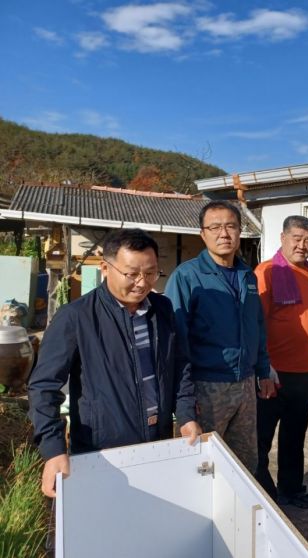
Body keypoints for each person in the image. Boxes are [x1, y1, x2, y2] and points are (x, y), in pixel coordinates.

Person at [28, 228, 201, 499]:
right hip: (102, 452)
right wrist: (53, 449)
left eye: (151, 273)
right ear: (106, 268)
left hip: (157, 443)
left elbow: (180, 366)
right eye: (131, 274)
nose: (142, 283)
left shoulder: (163, 310)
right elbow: (43, 387)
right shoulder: (76, 317)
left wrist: (188, 415)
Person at [165, 200, 273, 472]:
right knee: (201, 462)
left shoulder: (247, 275)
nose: (224, 234)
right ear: (203, 234)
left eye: (231, 226)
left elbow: (256, 326)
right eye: (215, 227)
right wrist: (185, 395)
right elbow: (176, 339)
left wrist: (263, 371)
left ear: (239, 231)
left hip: (246, 384)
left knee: (245, 461)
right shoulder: (187, 277)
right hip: (206, 385)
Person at [254, 215, 308, 509]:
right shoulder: (267, 272)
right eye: (297, 238)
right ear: (283, 238)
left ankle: (291, 489)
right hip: (271, 372)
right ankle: (263, 492)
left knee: (294, 436)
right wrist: (263, 364)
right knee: (261, 438)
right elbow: (255, 321)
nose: (303, 245)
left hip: (303, 372)